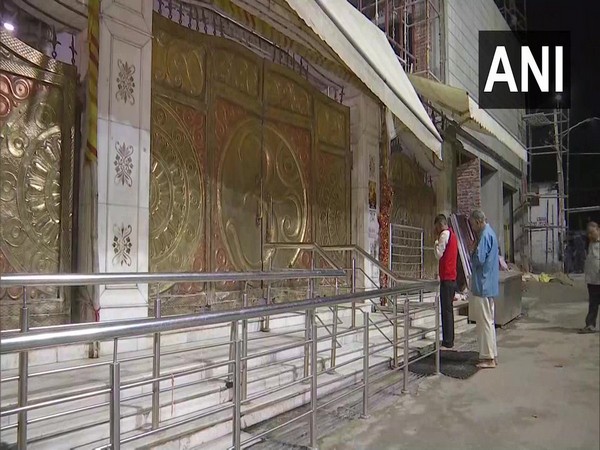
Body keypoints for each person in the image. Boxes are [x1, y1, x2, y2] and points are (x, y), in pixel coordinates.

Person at [468, 210, 500, 369]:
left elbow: (479, 259)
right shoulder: (491, 234)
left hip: (483, 284)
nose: (472, 228)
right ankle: (491, 354)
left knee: (484, 323)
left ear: (479, 222)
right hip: (489, 284)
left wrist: (472, 250)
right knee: (489, 321)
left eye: (473, 224)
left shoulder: (484, 236)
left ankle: (488, 357)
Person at [433, 214, 458, 349]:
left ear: (439, 224)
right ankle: (450, 338)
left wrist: (436, 242)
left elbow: (438, 254)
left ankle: (447, 340)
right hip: (452, 276)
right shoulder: (453, 235)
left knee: (446, 310)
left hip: (447, 277)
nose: (436, 230)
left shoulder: (444, 235)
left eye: (436, 227)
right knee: (449, 309)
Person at [579, 221, 599, 334]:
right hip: (592, 280)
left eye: (592, 233)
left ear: (598, 230)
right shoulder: (590, 243)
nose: (589, 235)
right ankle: (590, 325)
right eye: (588, 233)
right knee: (593, 303)